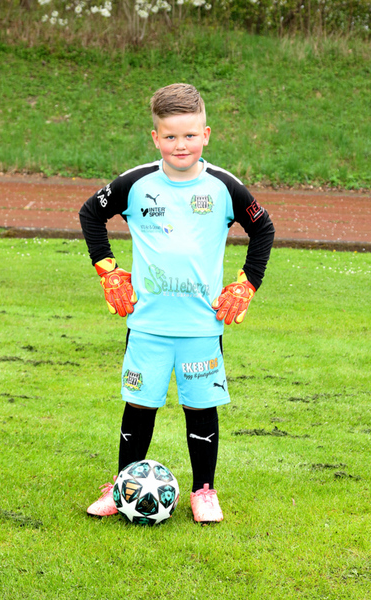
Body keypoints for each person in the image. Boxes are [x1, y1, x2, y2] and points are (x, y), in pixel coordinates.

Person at [79, 83, 275, 523]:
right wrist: (108, 270)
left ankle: (204, 491)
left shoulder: (224, 186)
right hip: (147, 323)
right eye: (170, 136)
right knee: (139, 405)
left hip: (201, 325)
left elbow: (263, 228)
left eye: (189, 135)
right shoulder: (136, 183)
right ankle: (122, 486)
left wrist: (248, 282)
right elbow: (91, 213)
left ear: (206, 134)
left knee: (200, 407)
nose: (180, 145)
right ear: (155, 138)